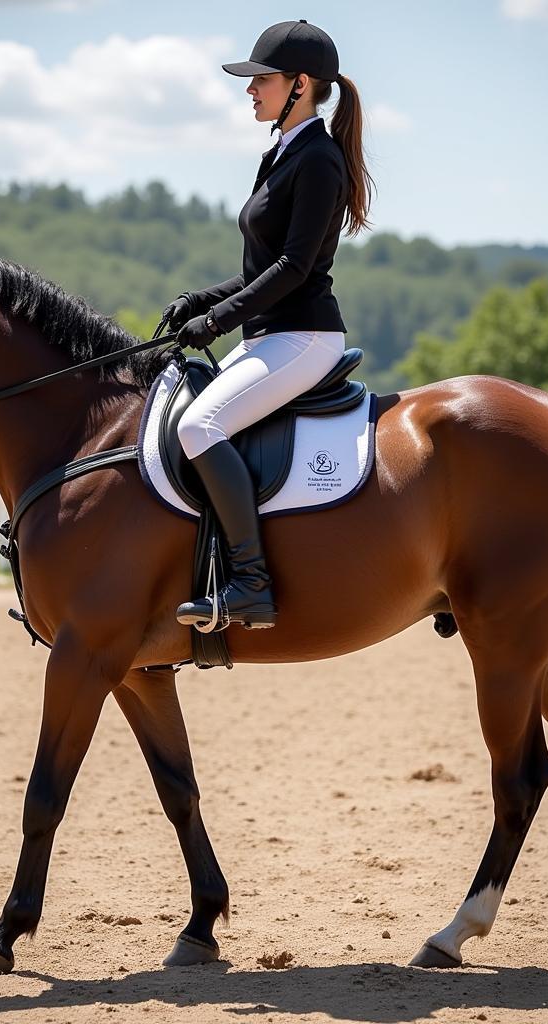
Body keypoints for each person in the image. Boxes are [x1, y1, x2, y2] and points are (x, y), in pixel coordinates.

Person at [168, 18, 375, 631]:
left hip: (303, 336)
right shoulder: (283, 153)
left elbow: (294, 267)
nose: (250, 90)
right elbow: (262, 266)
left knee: (200, 425)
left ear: (300, 85)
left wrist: (218, 319)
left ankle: (251, 585)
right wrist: (202, 301)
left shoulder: (318, 159)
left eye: (262, 79)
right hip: (269, 335)